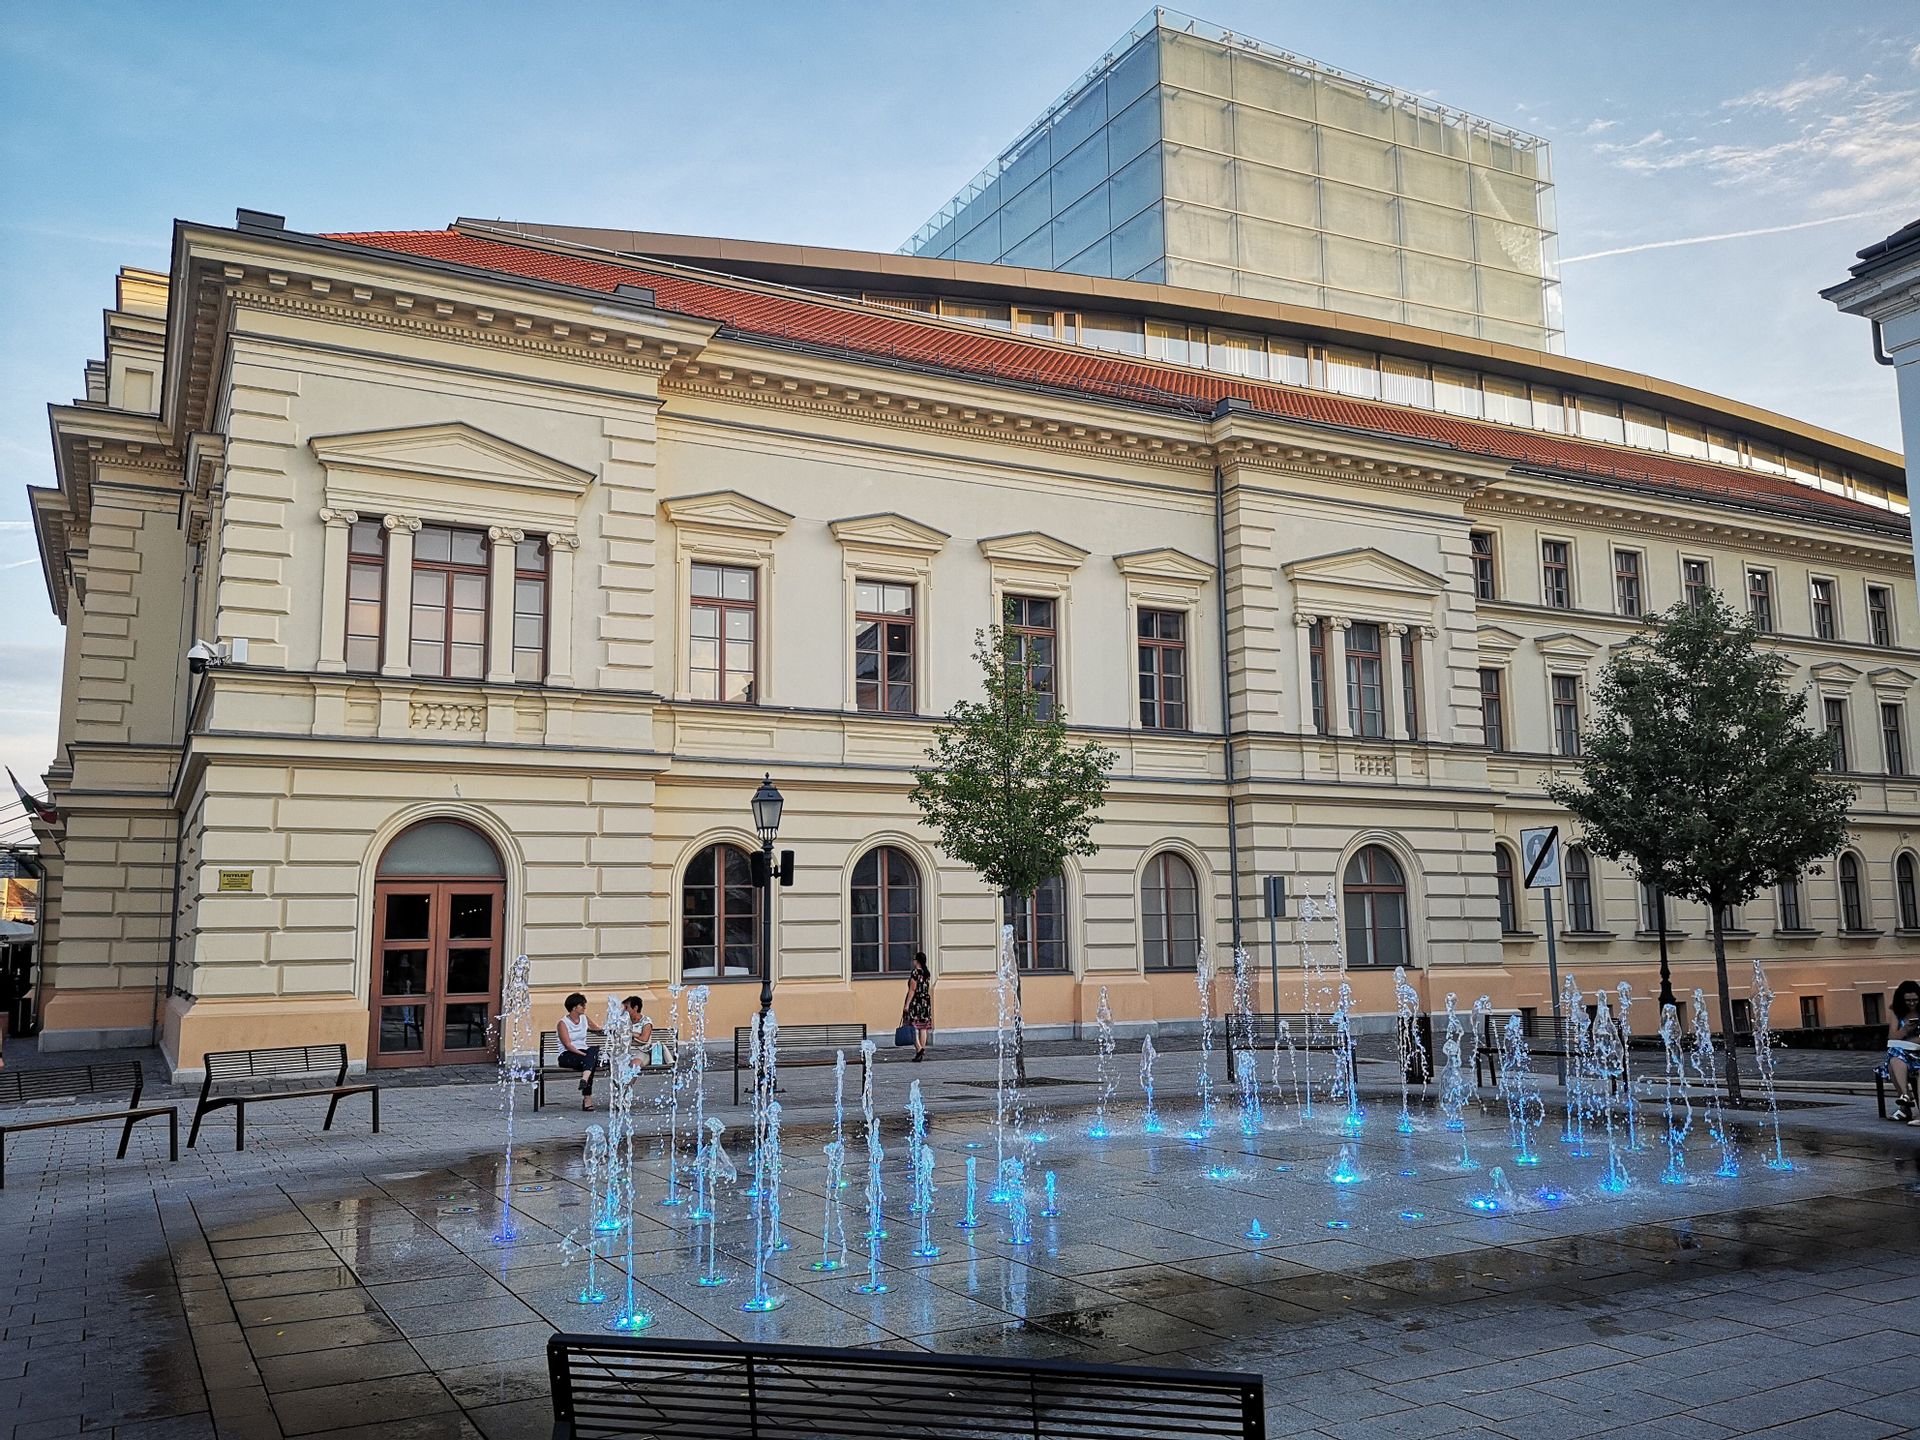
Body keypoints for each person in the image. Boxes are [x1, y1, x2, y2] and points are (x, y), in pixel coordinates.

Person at [556, 992, 601, 1111]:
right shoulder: (563, 1023)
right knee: (591, 1060)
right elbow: (568, 1045)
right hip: (567, 1055)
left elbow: (597, 1029)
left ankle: (584, 1079)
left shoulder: (584, 1019)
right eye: (582, 1005)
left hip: (584, 1053)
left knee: (594, 1051)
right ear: (574, 1007)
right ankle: (587, 1099)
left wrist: (612, 1029)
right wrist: (585, 1055)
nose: (585, 1007)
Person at [1888, 980, 1920, 1125]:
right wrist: (1906, 1029)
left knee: (1893, 1060)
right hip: (1904, 1054)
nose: (1912, 1003)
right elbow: (1892, 1037)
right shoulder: (1897, 1012)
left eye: (1915, 1000)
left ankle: (1905, 1103)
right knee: (1894, 1056)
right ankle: (1906, 1096)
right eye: (1908, 1001)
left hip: (1917, 1055)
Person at [902, 951, 934, 1062]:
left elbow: (912, 990)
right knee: (923, 1027)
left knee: (911, 1025)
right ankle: (921, 1051)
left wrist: (906, 1005)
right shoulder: (926, 973)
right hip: (925, 1002)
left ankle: (919, 1048)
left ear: (917, 961)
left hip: (916, 1002)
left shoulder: (915, 973)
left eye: (914, 960)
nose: (913, 962)